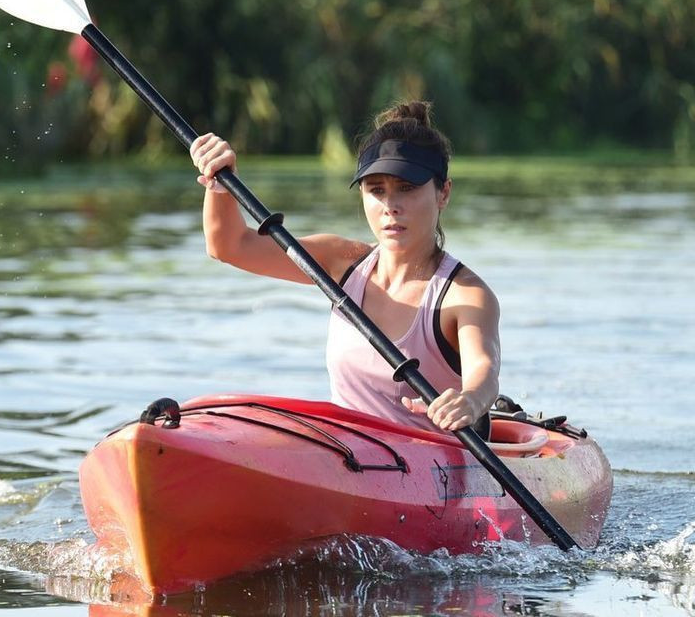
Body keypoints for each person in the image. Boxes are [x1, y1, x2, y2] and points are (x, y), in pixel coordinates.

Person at [189, 101, 500, 437]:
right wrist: (220, 183)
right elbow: (229, 246)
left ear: (444, 193)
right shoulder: (342, 261)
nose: (390, 207)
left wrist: (470, 400)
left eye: (407, 189)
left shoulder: (466, 295)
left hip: (429, 462)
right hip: (346, 450)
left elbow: (484, 370)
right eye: (376, 190)